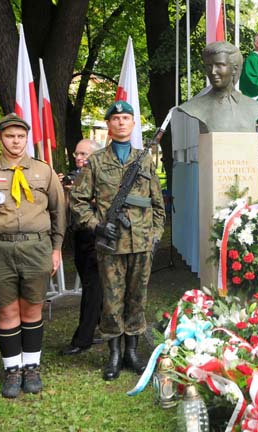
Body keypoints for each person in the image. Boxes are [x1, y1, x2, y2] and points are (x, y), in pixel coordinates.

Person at [0, 113, 65, 398]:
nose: (16, 141)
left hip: (37, 248)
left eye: (20, 136)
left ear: (26, 138)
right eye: (10, 136)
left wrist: (56, 249)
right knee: (7, 311)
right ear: (1, 138)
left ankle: (31, 367)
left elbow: (59, 213)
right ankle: (12, 370)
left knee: (32, 308)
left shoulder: (43, 172)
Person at [70, 101, 165, 381]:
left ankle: (131, 352)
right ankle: (113, 353)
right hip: (110, 245)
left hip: (141, 244)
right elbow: (78, 201)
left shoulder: (145, 159)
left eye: (126, 118)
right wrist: (96, 227)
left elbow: (157, 205)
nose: (121, 122)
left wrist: (155, 235)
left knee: (137, 298)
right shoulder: (97, 162)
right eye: (116, 118)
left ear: (133, 124)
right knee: (111, 301)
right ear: (109, 126)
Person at [60, 139, 103, 356]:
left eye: (84, 154)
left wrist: (78, 193)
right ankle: (103, 327)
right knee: (93, 286)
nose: (78, 157)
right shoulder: (75, 176)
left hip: (96, 236)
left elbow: (105, 202)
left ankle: (83, 338)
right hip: (79, 236)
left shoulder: (102, 175)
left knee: (92, 287)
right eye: (77, 153)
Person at [178, 41, 258, 133]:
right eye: (209, 66)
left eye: (219, 65)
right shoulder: (194, 106)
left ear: (234, 69)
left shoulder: (254, 106)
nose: (213, 71)